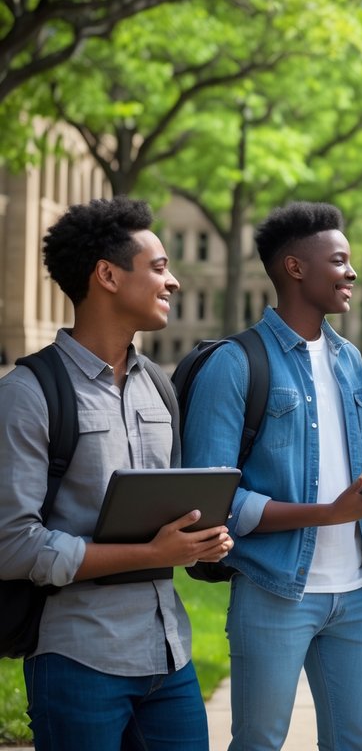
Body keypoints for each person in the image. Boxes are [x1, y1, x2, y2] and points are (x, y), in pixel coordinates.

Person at [0, 198, 233, 750]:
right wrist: (153, 554)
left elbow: (164, 509)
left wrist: (198, 541)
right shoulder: (28, 394)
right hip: (78, 657)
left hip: (169, 655)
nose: (173, 281)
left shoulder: (160, 387)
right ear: (107, 275)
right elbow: (12, 544)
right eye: (158, 267)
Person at [181, 202, 362, 751]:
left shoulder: (351, 358)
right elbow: (212, 502)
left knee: (355, 742)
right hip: (273, 588)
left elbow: (349, 470)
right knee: (259, 742)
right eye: (339, 261)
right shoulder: (234, 364)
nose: (352, 272)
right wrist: (327, 513)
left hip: (355, 592)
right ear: (294, 268)